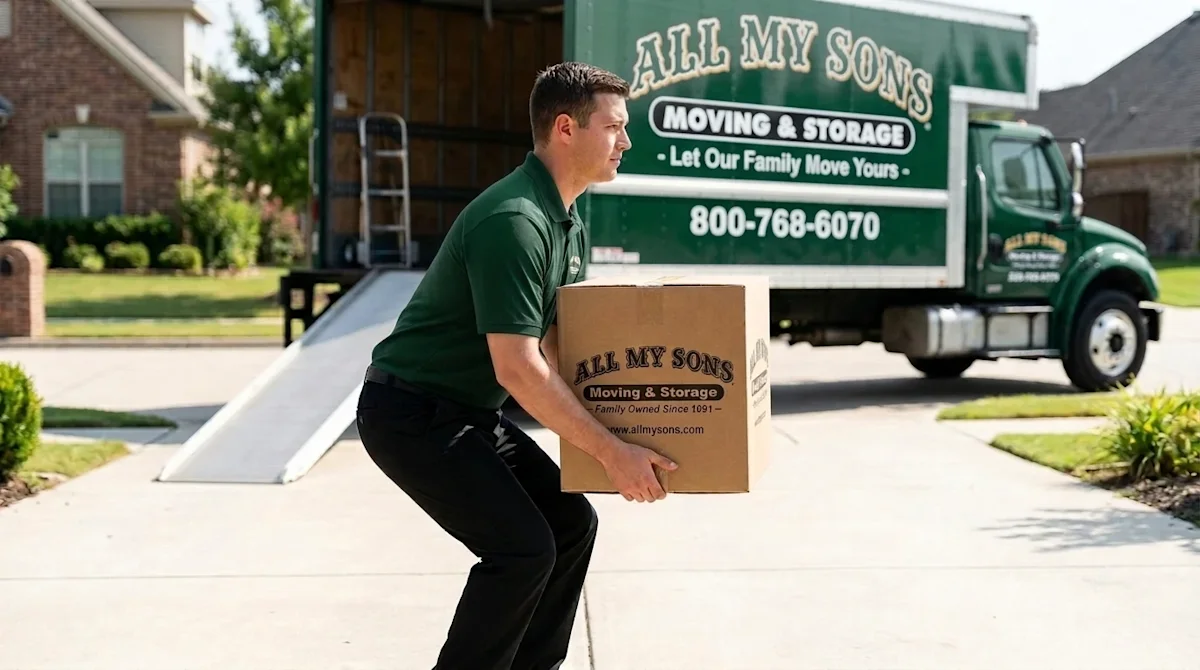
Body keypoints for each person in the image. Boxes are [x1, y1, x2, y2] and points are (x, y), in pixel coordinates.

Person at [355, 61, 679, 670]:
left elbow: (560, 349)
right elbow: (520, 370)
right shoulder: (516, 222)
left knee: (569, 524)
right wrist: (612, 454)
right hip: (409, 413)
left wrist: (638, 435)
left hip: (462, 411)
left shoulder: (565, 218)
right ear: (566, 128)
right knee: (522, 551)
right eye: (614, 127)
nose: (627, 142)